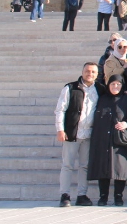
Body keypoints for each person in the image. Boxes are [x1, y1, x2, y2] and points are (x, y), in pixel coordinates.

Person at [55, 62, 104, 207]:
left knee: (85, 166)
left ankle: (82, 194)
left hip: (89, 134)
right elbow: (60, 109)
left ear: (97, 74)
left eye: (93, 72)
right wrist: (60, 129)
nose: (90, 74)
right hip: (72, 133)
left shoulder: (99, 89)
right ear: (82, 72)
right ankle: (65, 195)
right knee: (67, 165)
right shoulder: (70, 88)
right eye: (88, 71)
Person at [87, 74, 127, 206]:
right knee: (103, 168)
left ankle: (118, 196)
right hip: (102, 138)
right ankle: (103, 196)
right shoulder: (101, 98)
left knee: (120, 168)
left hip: (119, 139)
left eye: (118, 84)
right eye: (112, 84)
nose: (115, 86)